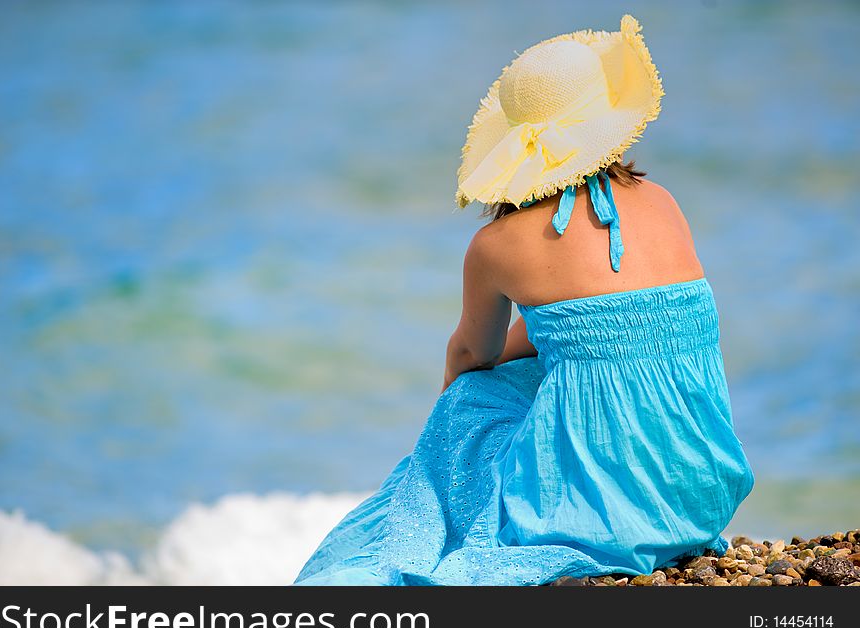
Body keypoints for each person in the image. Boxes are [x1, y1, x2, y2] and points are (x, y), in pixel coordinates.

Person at [294, 14, 754, 586]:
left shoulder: (497, 246)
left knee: (473, 397)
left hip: (609, 514)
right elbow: (598, 326)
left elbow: (471, 353)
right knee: (547, 366)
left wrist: (446, 432)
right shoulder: (662, 200)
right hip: (700, 489)